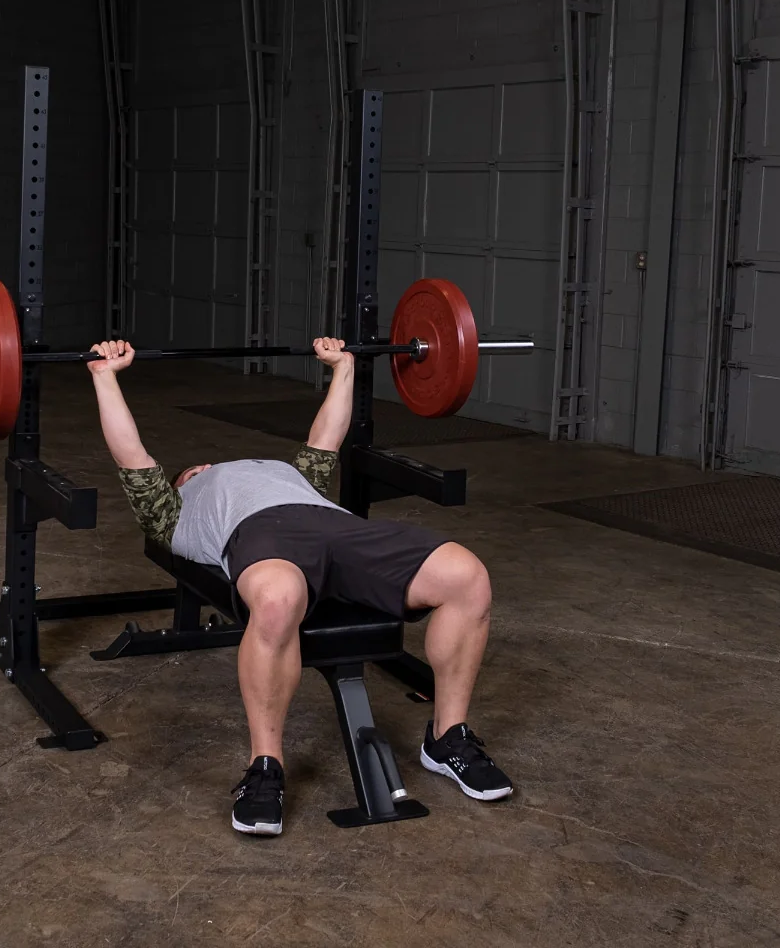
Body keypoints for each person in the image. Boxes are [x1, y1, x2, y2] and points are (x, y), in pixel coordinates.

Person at [88, 337, 513, 836]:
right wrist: (104, 377)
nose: (209, 465)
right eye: (195, 470)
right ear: (187, 479)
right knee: (277, 600)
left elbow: (326, 438)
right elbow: (131, 453)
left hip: (338, 527)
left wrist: (343, 366)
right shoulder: (172, 509)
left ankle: (446, 738)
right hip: (261, 539)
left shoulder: (291, 475)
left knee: (467, 576)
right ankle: (265, 767)